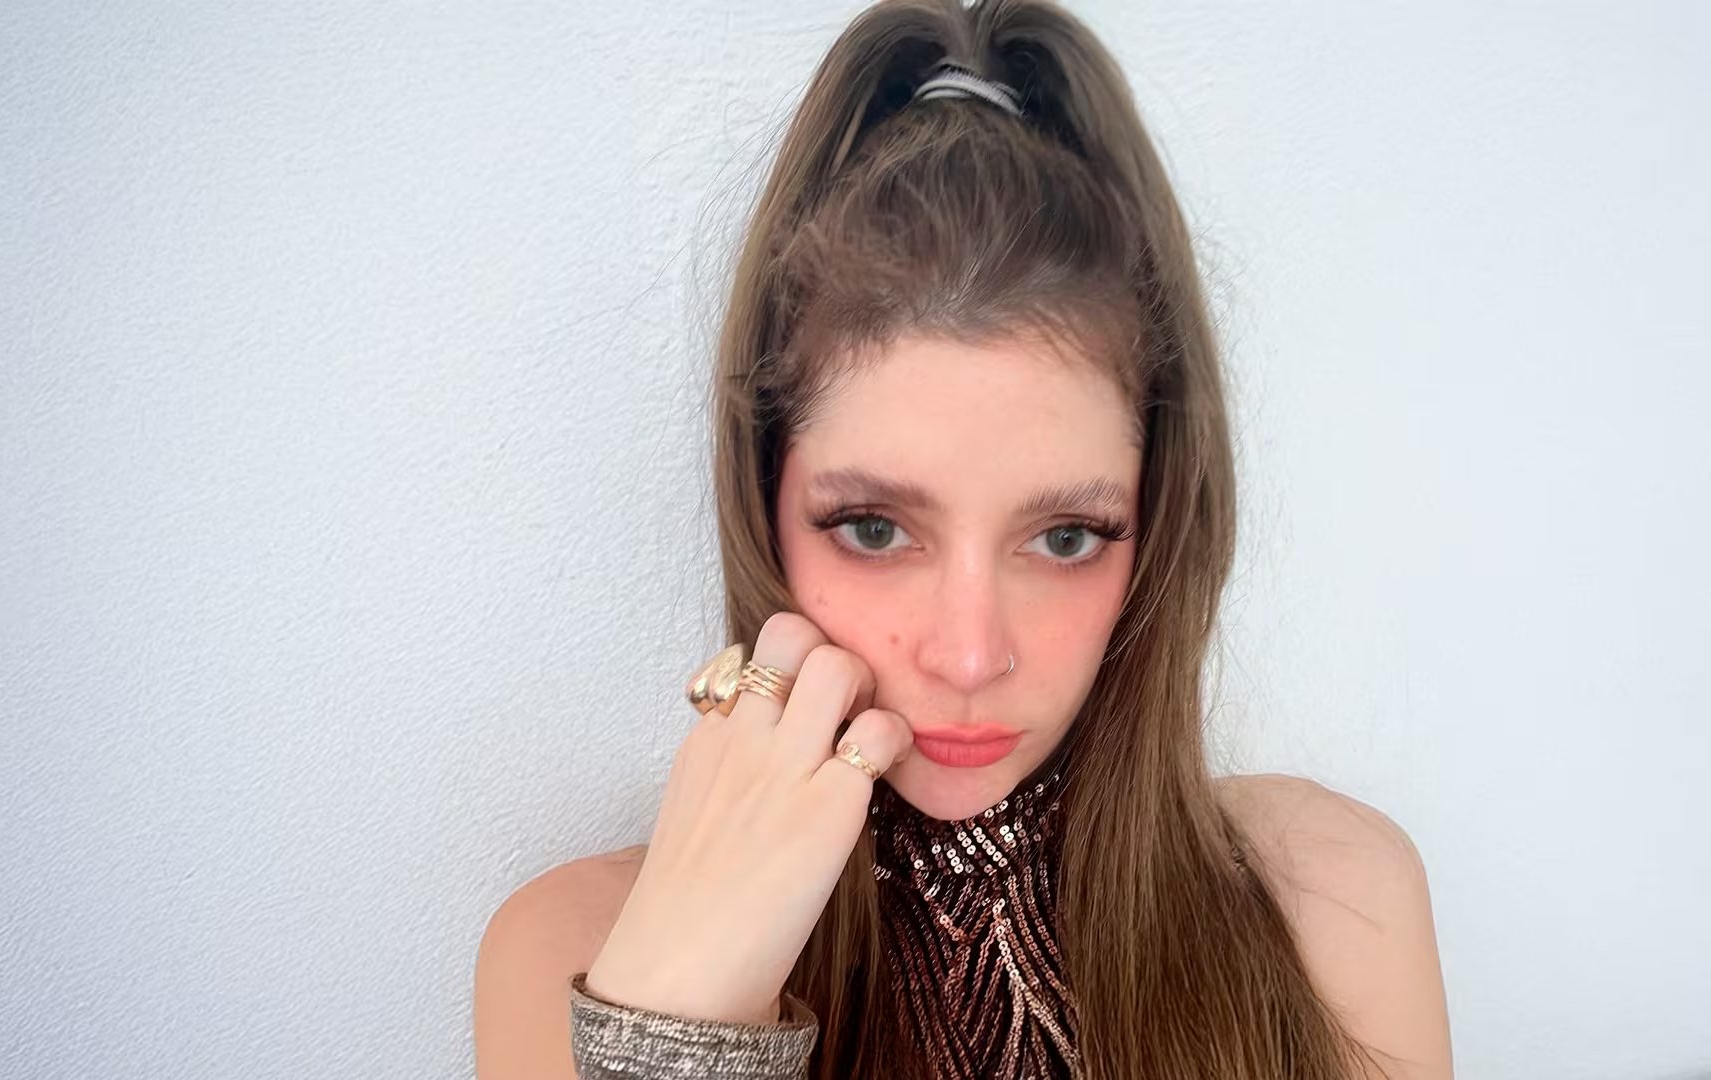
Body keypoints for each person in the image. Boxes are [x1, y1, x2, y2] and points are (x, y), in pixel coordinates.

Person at [473, 0, 1452, 1076]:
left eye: (1067, 537)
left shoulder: (1329, 905)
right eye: (875, 528)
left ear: (1158, 528)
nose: (972, 656)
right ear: (764, 505)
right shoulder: (578, 954)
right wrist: (679, 1021)